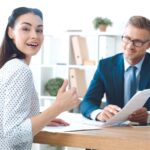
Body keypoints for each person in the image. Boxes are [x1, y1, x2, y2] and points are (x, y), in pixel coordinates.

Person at [0, 7, 80, 150]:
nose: (34, 36)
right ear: (11, 32)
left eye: (39, 30)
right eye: (26, 29)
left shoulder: (9, 66)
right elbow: (11, 135)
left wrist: (42, 118)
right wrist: (57, 108)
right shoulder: (20, 71)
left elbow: (6, 118)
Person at [80, 15, 150, 125]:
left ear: (148, 45)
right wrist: (99, 114)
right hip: (115, 130)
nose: (130, 46)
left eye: (137, 42)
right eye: (127, 38)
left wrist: (148, 117)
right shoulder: (105, 66)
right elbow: (87, 102)